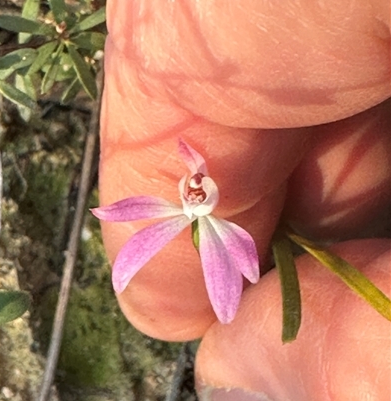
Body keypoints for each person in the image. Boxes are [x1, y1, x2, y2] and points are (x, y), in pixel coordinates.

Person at [97, 1, 390, 400]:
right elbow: (120, 218)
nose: (196, 187)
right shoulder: (192, 223)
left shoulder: (225, 232)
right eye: (193, 182)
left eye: (198, 183)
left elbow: (246, 266)